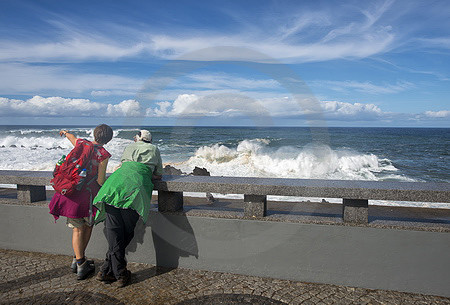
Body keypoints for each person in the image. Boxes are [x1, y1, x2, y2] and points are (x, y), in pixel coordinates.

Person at [94, 129, 163, 288]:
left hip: (114, 184)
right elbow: (158, 175)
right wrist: (146, 170)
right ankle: (120, 274)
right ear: (150, 140)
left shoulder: (129, 147)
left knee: (114, 231)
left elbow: (125, 165)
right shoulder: (154, 149)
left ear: (137, 139)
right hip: (133, 190)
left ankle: (105, 269)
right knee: (126, 232)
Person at [48, 124, 113, 280]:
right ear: (108, 139)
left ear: (94, 134)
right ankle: (80, 264)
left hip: (70, 194)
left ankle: (78, 260)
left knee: (77, 229)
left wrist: (65, 132)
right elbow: (100, 180)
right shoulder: (103, 154)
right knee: (87, 227)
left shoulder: (82, 144)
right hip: (87, 198)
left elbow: (72, 138)